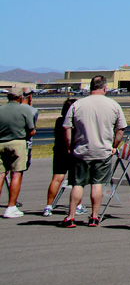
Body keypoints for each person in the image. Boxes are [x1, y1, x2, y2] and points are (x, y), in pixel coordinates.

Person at [63, 74, 126, 227]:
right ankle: (94, 216)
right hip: (102, 151)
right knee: (97, 184)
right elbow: (121, 129)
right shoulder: (113, 105)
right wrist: (114, 146)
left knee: (77, 184)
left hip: (81, 150)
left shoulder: (77, 105)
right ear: (105, 88)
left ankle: (71, 216)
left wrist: (69, 147)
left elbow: (66, 127)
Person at [1, 89, 38, 218]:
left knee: (0, 175)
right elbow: (31, 130)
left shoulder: (1, 109)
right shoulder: (25, 110)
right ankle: (11, 206)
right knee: (16, 174)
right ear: (20, 98)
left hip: (1, 143)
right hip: (17, 143)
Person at [42, 98, 76, 216]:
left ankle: (48, 206)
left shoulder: (59, 121)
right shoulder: (74, 122)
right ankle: (77, 205)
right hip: (72, 152)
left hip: (59, 151)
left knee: (57, 178)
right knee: (76, 181)